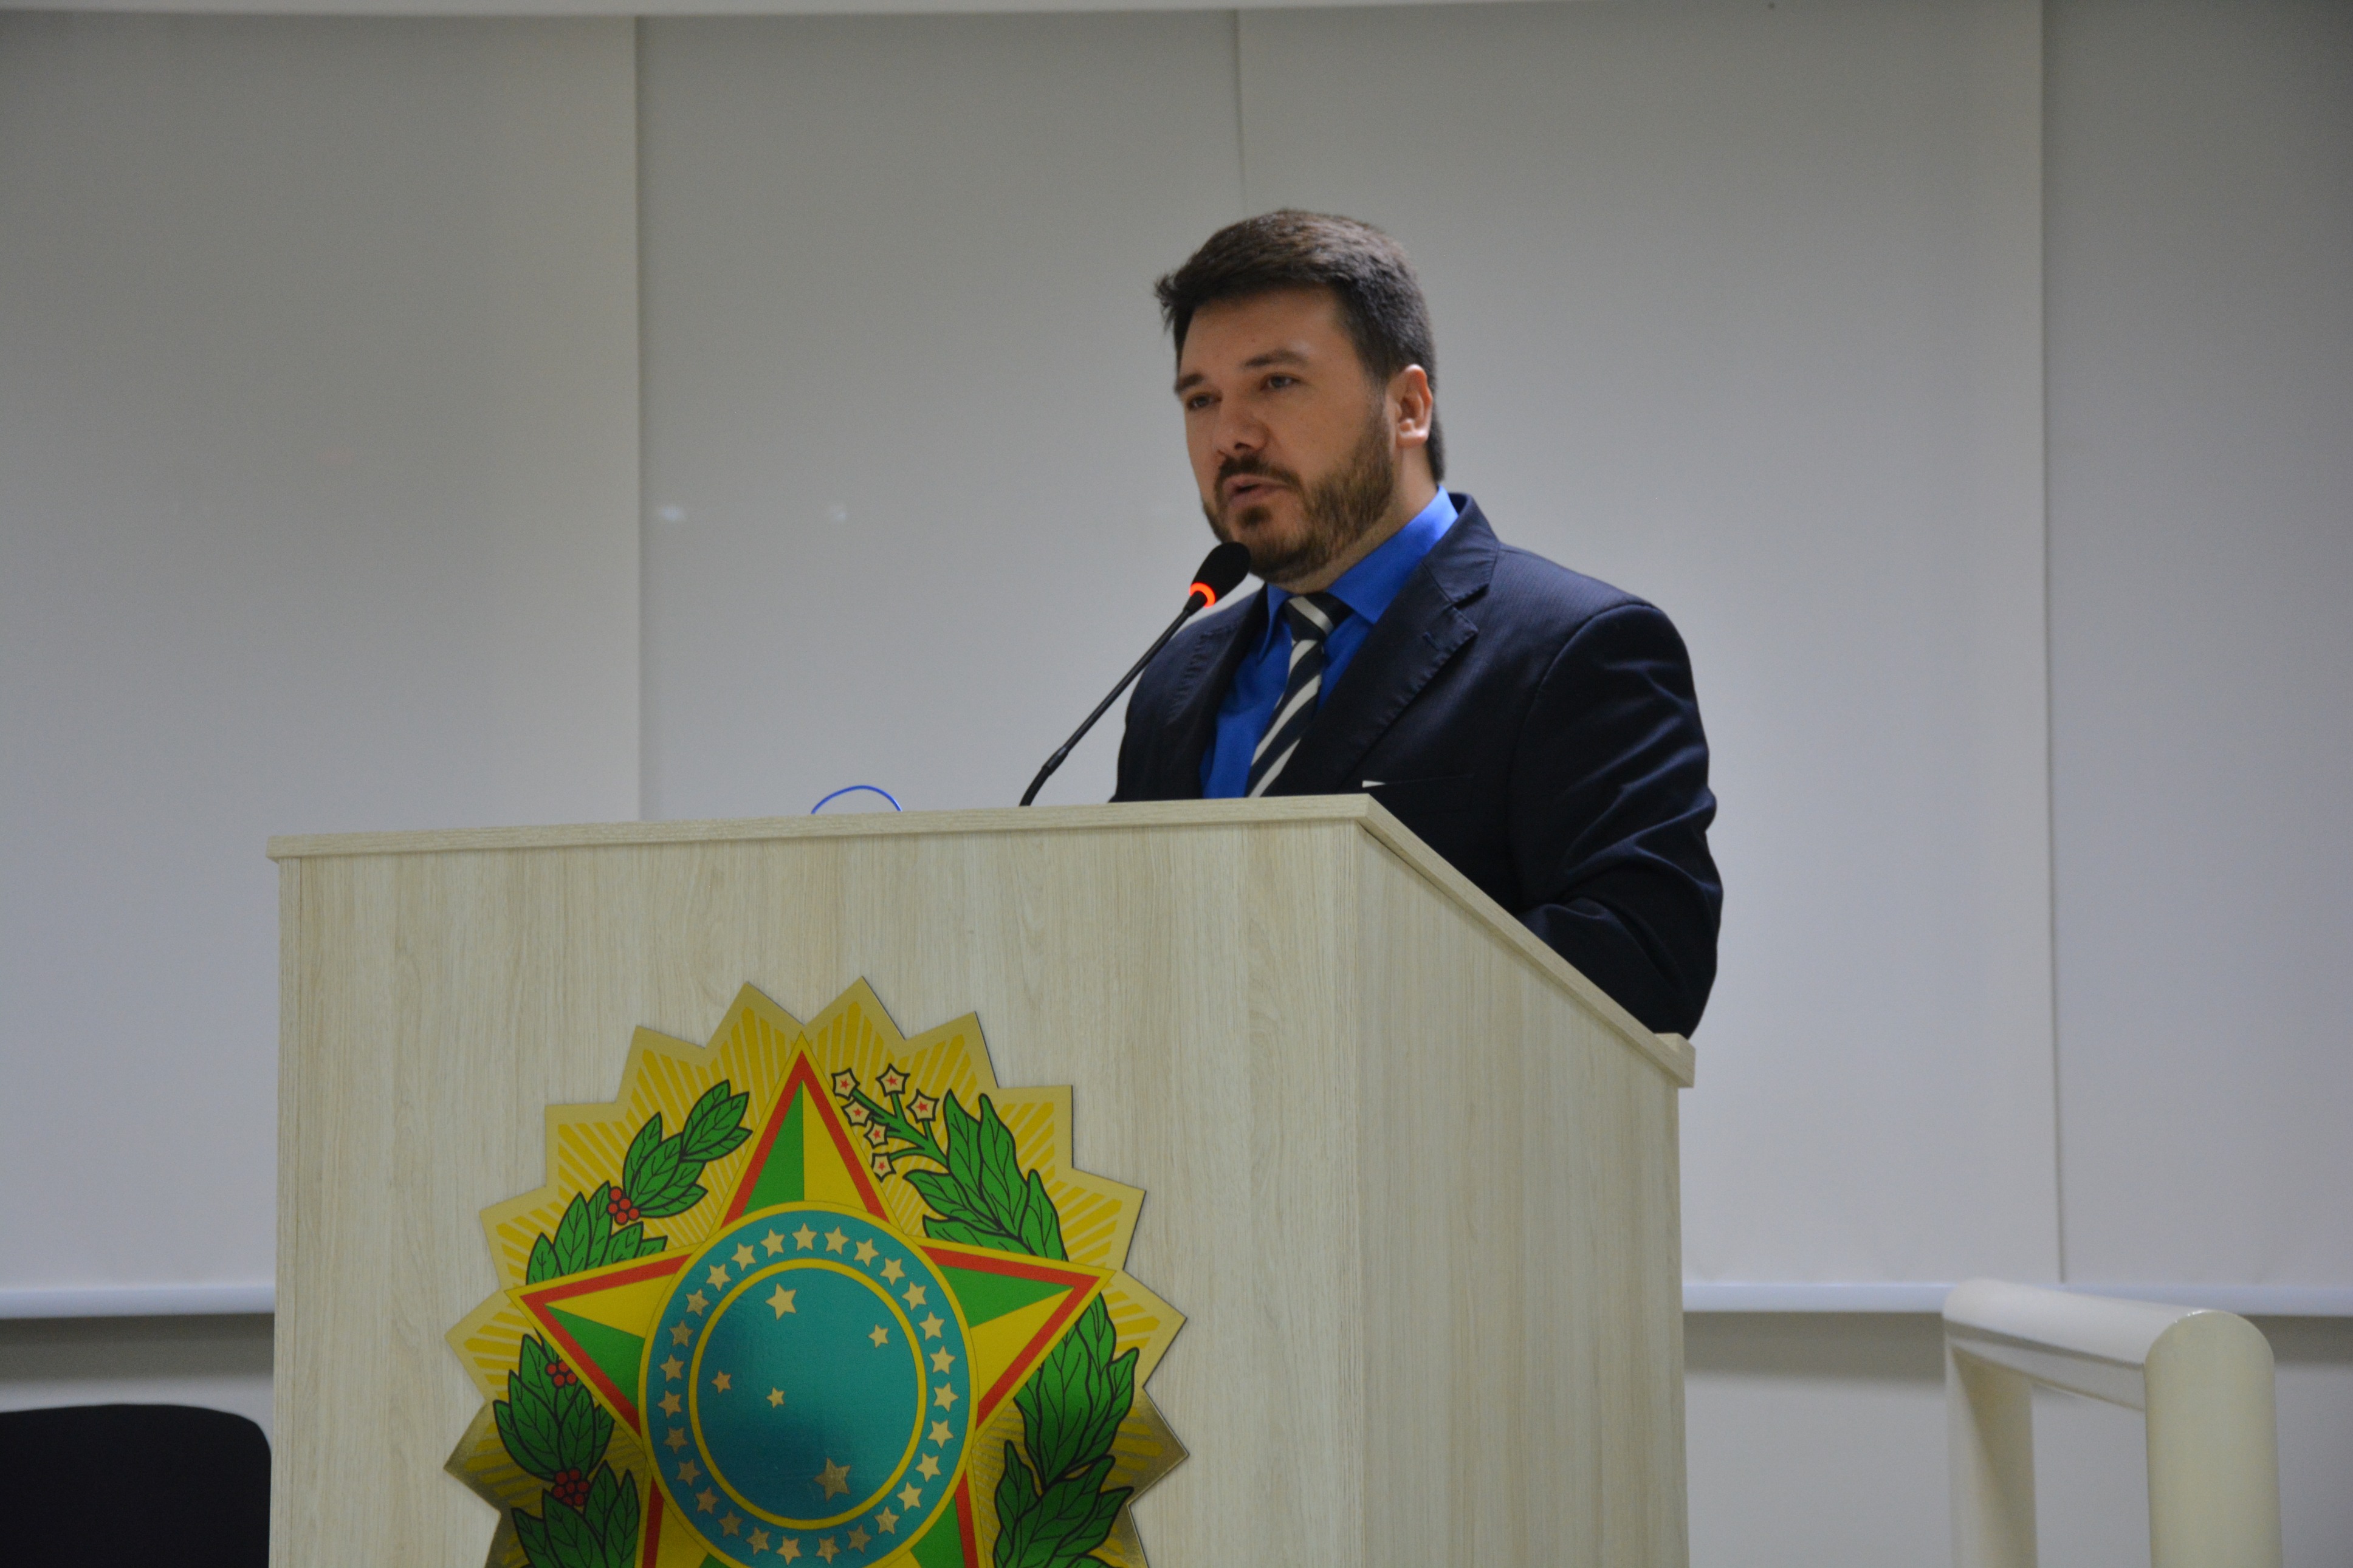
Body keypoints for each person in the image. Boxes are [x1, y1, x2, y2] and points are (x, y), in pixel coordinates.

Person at [1113, 210, 1721, 1036]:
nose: (1231, 436)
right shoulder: (1173, 683)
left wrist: (1300, 991)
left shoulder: (1576, 649)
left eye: (1276, 383)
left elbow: (1644, 961)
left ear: (1407, 406)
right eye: (1201, 399)